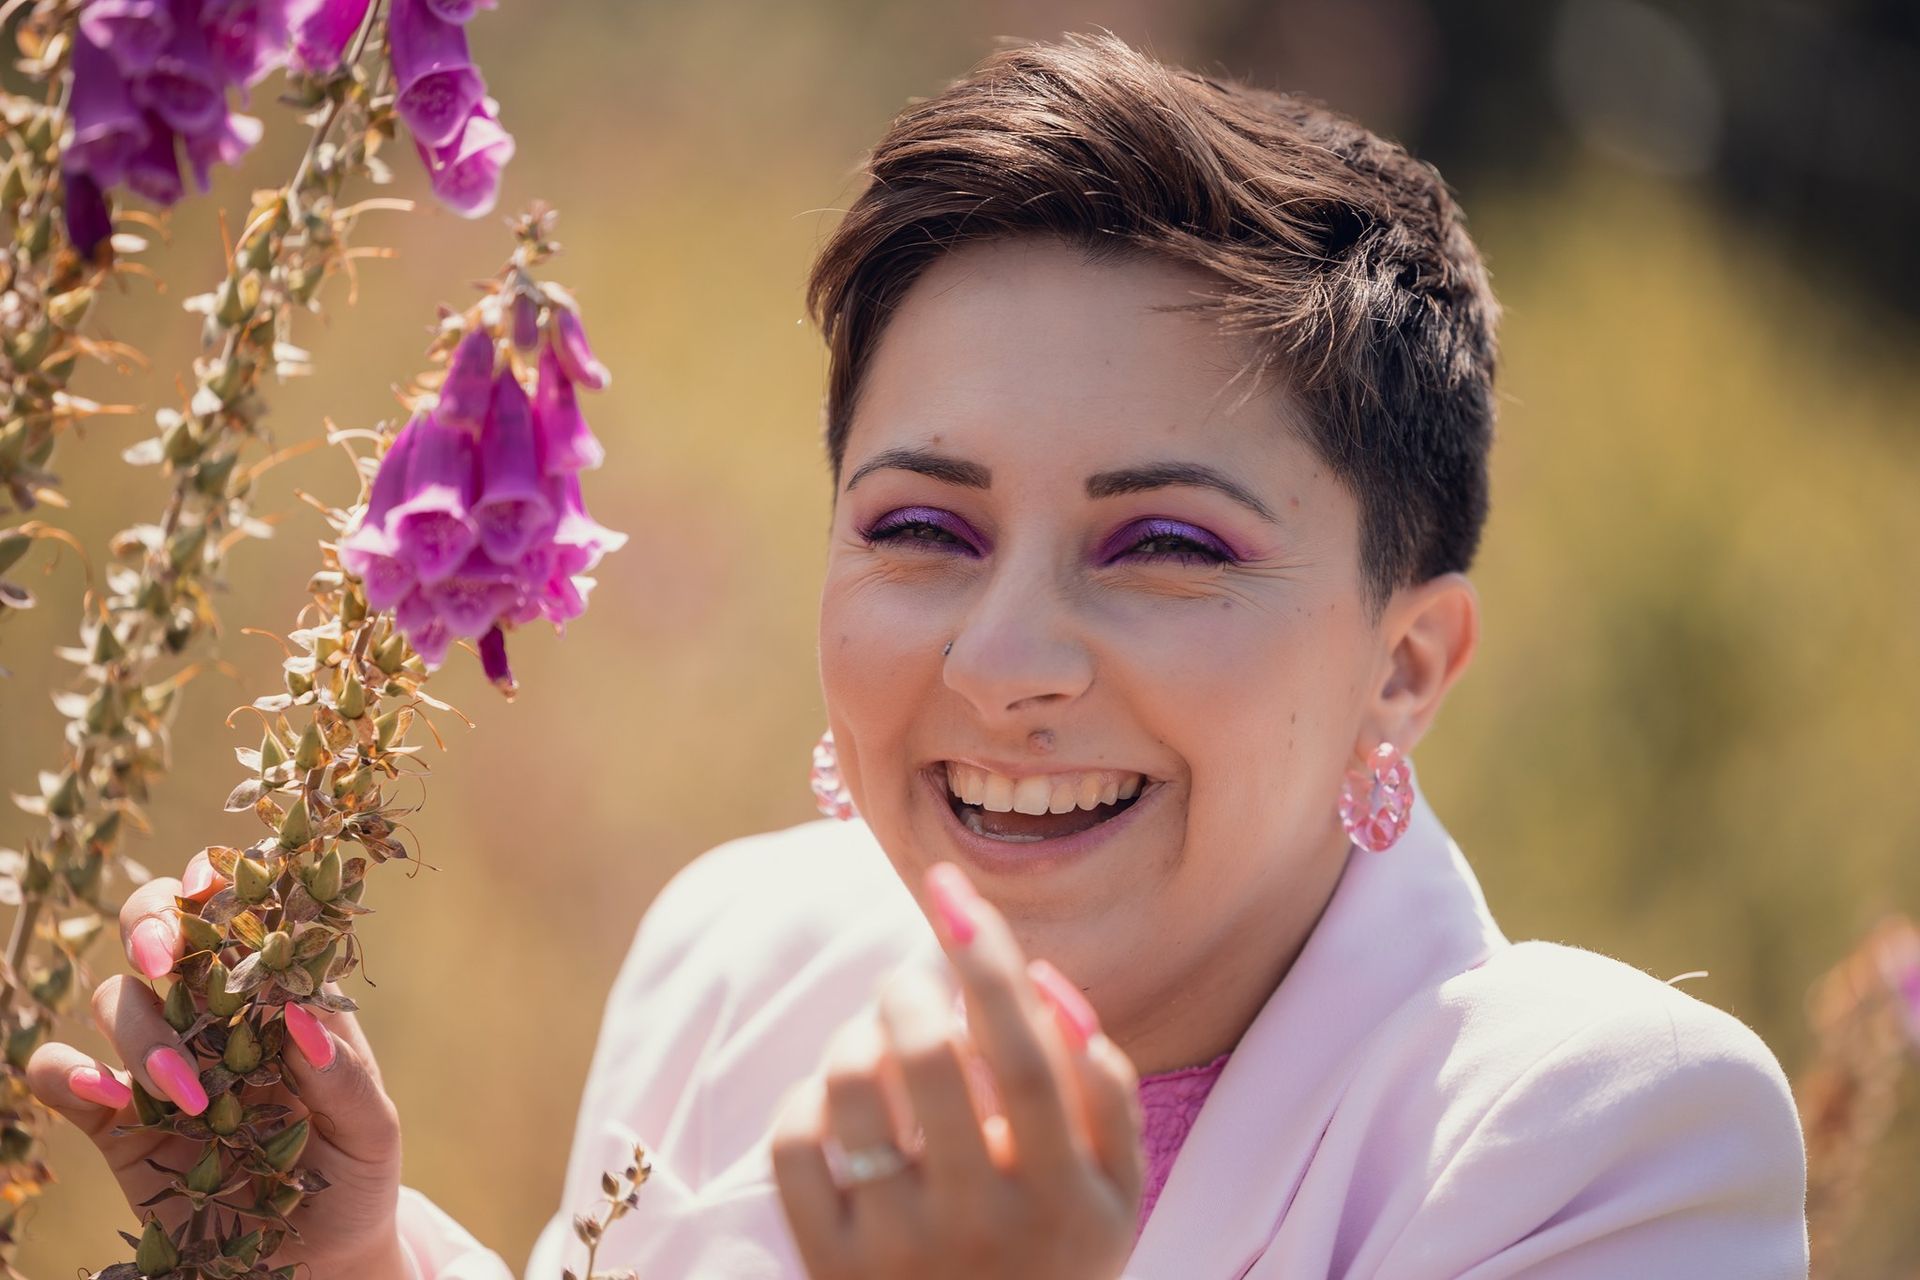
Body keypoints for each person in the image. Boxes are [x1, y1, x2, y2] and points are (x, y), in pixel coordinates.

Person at [28, 30, 1810, 1280]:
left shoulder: (1607, 1143)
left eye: (1168, 545)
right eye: (922, 529)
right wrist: (344, 1251)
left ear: (1407, 664)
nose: (1004, 658)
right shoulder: (737, 953)